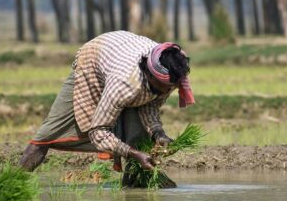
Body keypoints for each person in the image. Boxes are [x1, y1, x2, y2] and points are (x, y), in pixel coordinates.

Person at [19, 31, 194, 172]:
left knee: (140, 137)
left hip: (119, 53)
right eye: (161, 87)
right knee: (48, 134)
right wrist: (133, 154)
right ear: (148, 75)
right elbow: (98, 131)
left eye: (169, 88)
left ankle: (135, 191)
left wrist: (158, 134)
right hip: (93, 62)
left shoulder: (169, 74)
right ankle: (15, 180)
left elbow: (151, 104)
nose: (165, 92)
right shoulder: (125, 83)